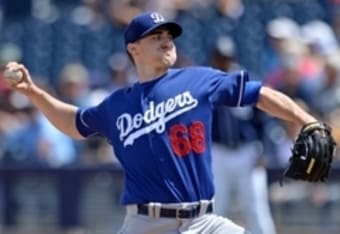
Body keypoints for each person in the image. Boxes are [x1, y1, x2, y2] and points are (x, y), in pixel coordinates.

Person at [2, 11, 319, 234]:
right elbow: (74, 123)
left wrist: (306, 120)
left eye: (169, 36)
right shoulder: (118, 104)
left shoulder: (199, 80)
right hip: (147, 224)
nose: (167, 41)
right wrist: (33, 92)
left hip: (204, 221)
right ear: (133, 48)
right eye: (156, 37)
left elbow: (260, 94)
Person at [211, 36, 277, 234]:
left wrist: (265, 149)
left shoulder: (246, 81)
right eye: (220, 58)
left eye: (227, 57)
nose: (224, 62)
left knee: (255, 207)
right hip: (218, 152)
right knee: (215, 207)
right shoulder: (208, 83)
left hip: (247, 152)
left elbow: (264, 119)